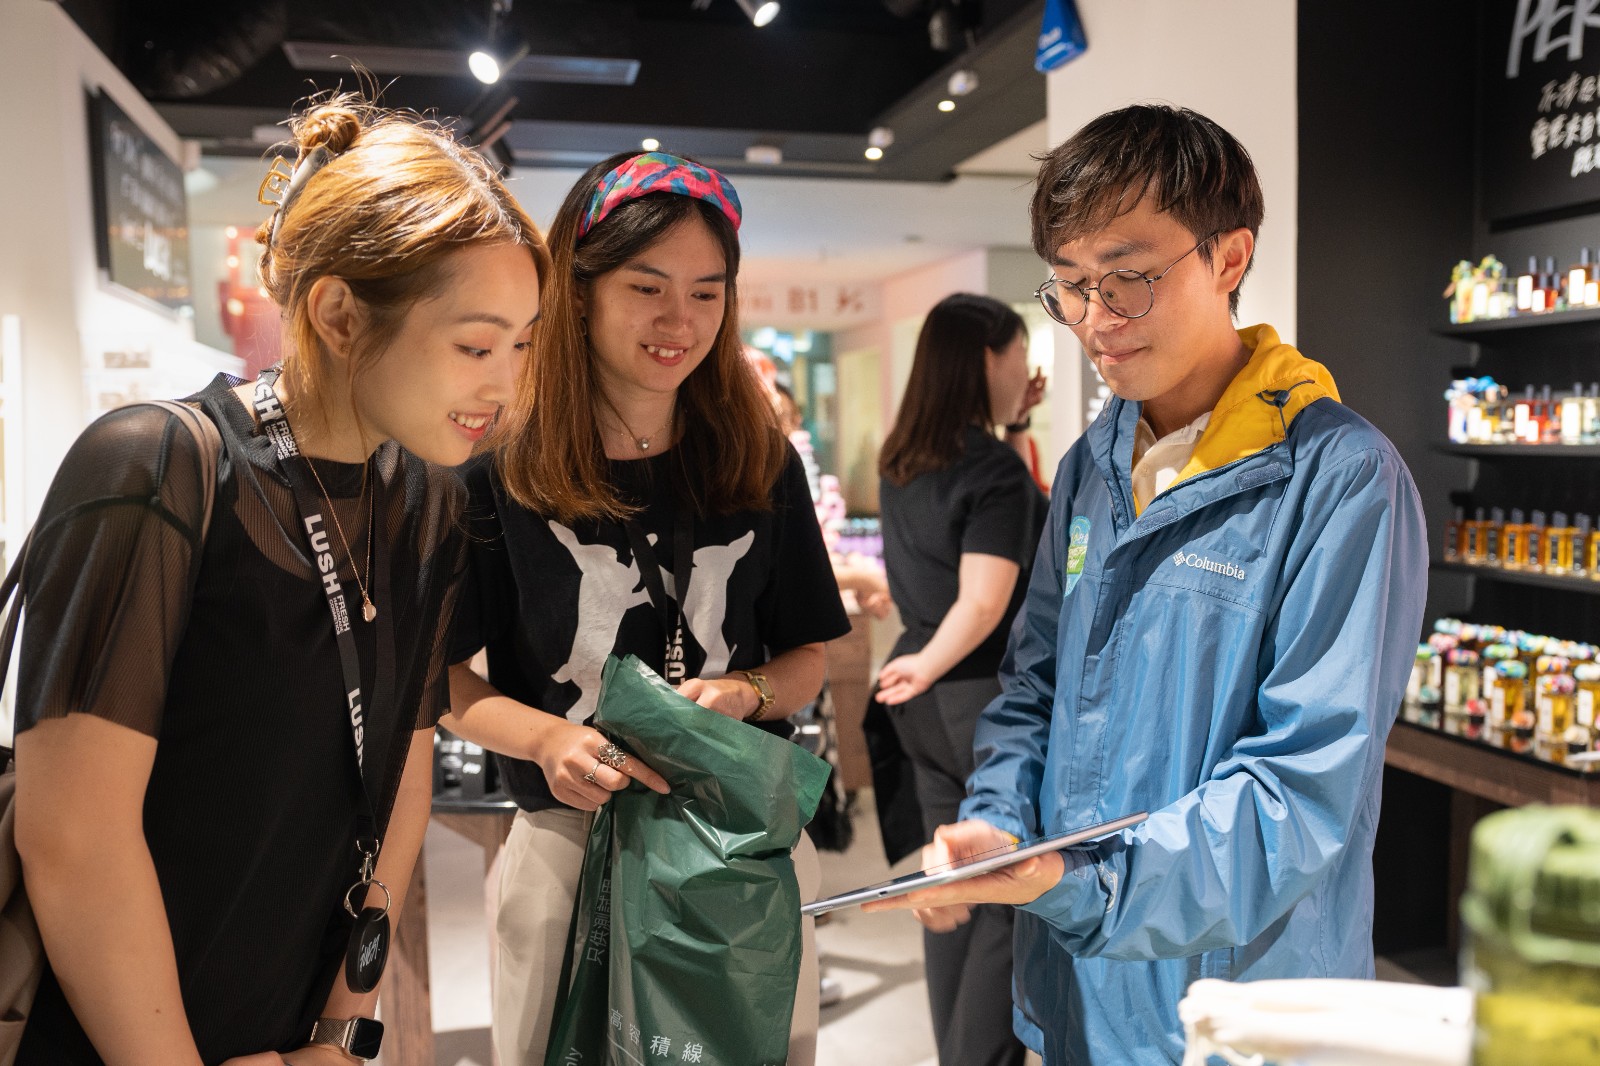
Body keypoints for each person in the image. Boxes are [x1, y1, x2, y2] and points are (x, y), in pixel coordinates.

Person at [865, 104, 1428, 1064]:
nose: (1095, 320)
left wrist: (1081, 885)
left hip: (1235, 1008)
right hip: (1077, 988)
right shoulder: (1093, 463)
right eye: (1071, 286)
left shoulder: (1341, 480)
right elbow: (1034, 688)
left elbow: (1300, 793)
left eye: (1127, 279)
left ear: (1230, 258)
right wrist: (998, 821)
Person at [12, 95, 549, 1066]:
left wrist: (340, 1033)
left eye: (521, 344)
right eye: (476, 346)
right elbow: (74, 840)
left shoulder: (426, 501)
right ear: (338, 313)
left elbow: (403, 773)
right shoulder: (159, 469)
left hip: (293, 1033)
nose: (505, 385)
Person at [442, 150, 851, 1066]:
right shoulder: (498, 472)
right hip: (570, 843)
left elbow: (807, 659)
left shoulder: (759, 459)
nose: (680, 321)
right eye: (647, 287)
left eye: (707, 293)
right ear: (579, 291)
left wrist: (746, 692)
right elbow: (444, 682)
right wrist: (547, 740)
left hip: (739, 842)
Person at [873, 293, 1046, 1066]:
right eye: (1020, 355)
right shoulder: (991, 471)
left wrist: (918, 666)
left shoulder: (904, 458)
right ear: (986, 358)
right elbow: (982, 602)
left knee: (949, 886)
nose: (1026, 371)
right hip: (976, 697)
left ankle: (956, 1054)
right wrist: (931, 663)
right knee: (1004, 894)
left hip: (920, 702)